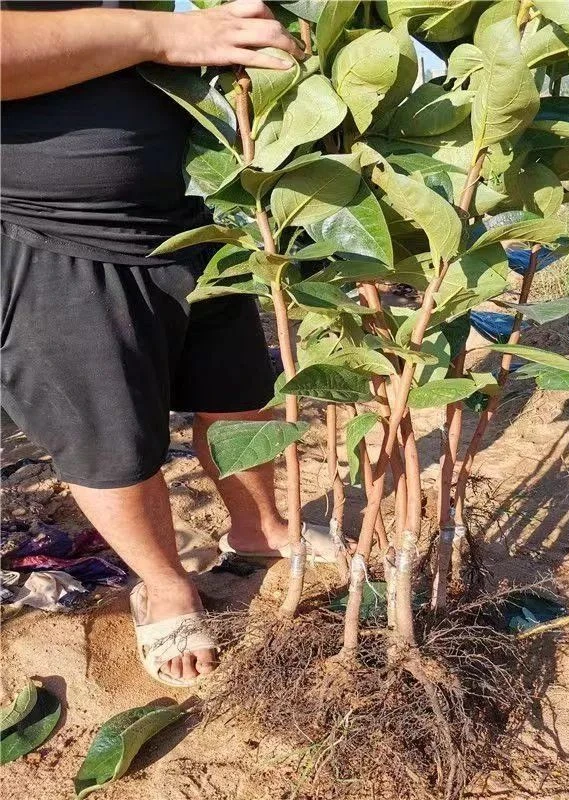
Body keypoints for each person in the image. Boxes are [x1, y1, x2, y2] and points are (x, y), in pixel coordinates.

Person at [1, 0, 339, 687]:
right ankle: (165, 586)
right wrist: (165, 32)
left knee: (237, 392)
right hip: (59, 239)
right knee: (109, 441)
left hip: (192, 222)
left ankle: (259, 528)